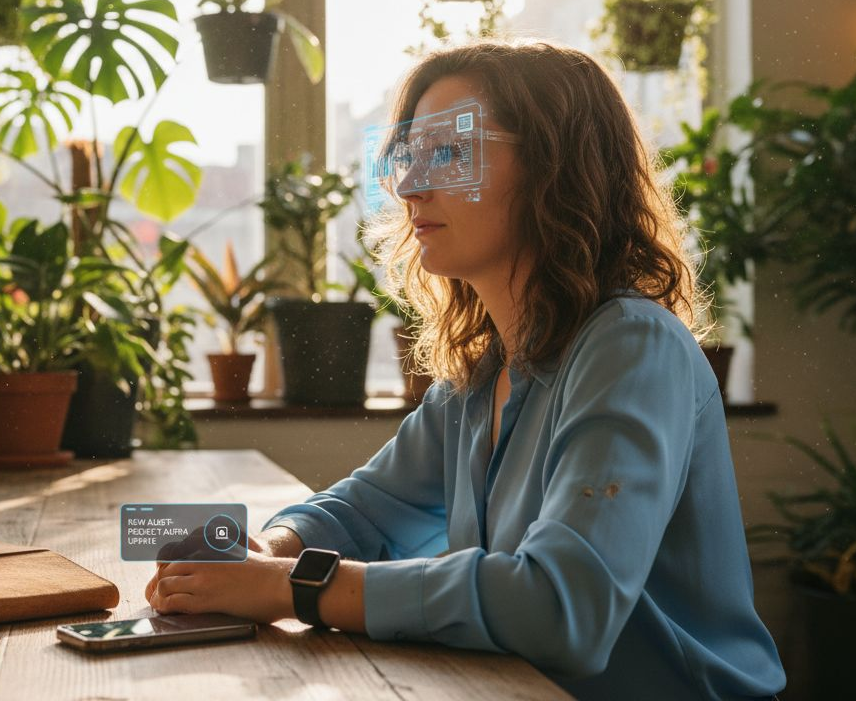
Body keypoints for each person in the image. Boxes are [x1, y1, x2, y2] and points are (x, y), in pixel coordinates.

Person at [145, 40, 786, 700]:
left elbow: (561, 608)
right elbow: (368, 508)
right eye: (406, 156)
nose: (409, 184)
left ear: (554, 170)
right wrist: (267, 550)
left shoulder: (632, 348)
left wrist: (292, 588)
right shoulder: (484, 374)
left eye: (450, 153)